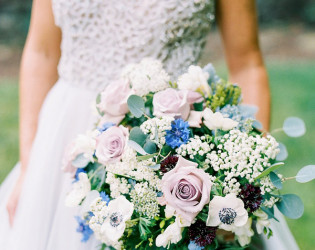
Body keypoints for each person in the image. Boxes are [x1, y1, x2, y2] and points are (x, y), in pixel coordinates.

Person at [0, 0, 298, 249]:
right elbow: (42, 52)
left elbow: (247, 64)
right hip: (64, 142)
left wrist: (245, 178)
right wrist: (30, 166)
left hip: (171, 148)